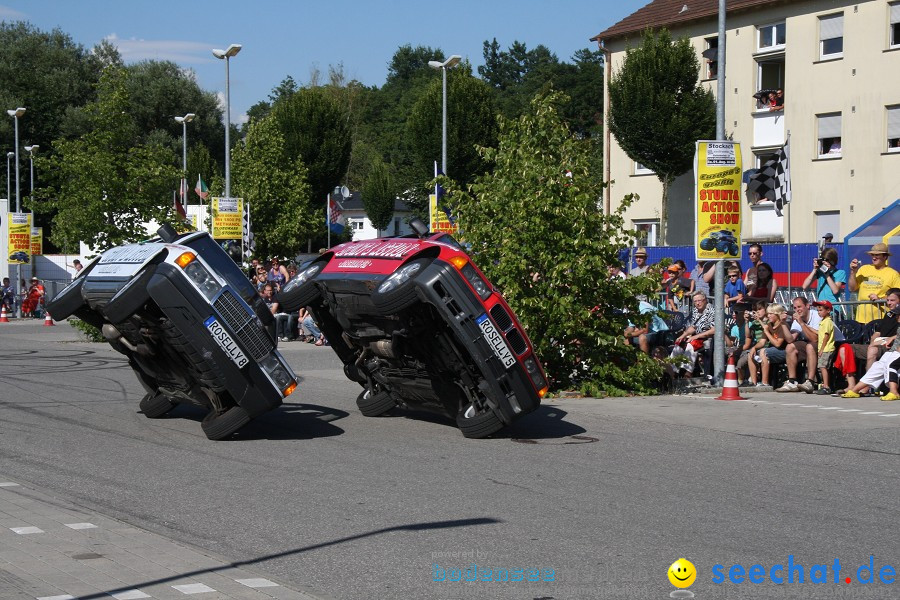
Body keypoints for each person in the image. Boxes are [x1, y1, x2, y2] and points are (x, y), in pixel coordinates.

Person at [776, 297, 822, 393]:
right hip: (813, 346)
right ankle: (792, 382)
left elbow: (815, 339)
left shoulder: (817, 316)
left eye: (799, 307)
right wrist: (783, 323)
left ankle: (810, 382)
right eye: (795, 308)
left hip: (829, 345)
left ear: (807, 306)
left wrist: (801, 323)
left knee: (810, 346)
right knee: (790, 347)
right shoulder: (797, 320)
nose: (797, 310)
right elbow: (790, 339)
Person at [848, 243, 900, 323]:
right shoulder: (863, 269)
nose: (874, 257)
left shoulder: (893, 274)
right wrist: (853, 272)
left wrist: (880, 299)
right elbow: (852, 288)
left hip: (881, 319)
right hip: (861, 319)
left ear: (885, 257)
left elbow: (897, 296)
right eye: (872, 255)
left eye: (877, 255)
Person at [670, 293, 716, 377]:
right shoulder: (695, 310)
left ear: (705, 300)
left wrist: (697, 336)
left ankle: (687, 373)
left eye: (699, 300)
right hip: (696, 336)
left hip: (707, 337)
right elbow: (693, 327)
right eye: (695, 301)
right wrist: (682, 336)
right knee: (679, 344)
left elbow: (714, 330)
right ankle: (672, 372)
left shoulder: (713, 311)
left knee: (691, 345)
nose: (698, 303)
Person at [802, 247, 846, 313]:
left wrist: (826, 274)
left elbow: (835, 290)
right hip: (821, 310)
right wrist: (814, 269)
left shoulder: (840, 272)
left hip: (832, 309)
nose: (825, 263)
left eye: (827, 261)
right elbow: (804, 286)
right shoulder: (820, 272)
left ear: (832, 261)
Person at [759, 304, 792, 389]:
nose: (768, 316)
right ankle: (754, 382)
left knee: (763, 352)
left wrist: (767, 332)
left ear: (777, 314)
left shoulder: (783, 325)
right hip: (773, 350)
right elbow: (762, 342)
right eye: (768, 314)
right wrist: (753, 349)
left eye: (771, 314)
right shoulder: (769, 325)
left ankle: (765, 382)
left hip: (783, 351)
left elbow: (778, 344)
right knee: (751, 353)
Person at [737, 300, 770, 387]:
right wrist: (747, 322)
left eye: (759, 309)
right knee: (745, 358)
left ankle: (763, 382)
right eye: (756, 310)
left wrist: (759, 320)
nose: (758, 312)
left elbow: (766, 329)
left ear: (766, 310)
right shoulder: (755, 323)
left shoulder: (769, 321)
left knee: (758, 354)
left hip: (768, 346)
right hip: (757, 347)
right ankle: (753, 382)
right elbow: (748, 335)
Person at [813, 300, 836, 394]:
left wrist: (821, 349)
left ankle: (826, 386)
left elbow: (826, 336)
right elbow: (820, 333)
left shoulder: (827, 322)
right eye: (818, 310)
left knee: (823, 367)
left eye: (821, 310)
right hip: (824, 348)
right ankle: (824, 384)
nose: (819, 312)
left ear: (828, 310)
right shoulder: (823, 321)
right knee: (823, 367)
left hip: (826, 349)